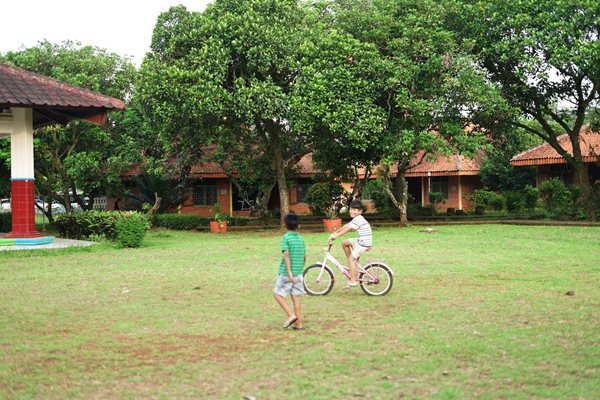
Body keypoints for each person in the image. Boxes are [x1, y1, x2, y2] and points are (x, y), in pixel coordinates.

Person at [273, 212, 306, 330]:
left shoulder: (285, 238)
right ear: (299, 226)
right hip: (299, 273)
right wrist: (299, 269)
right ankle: (298, 324)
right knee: (296, 298)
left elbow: (286, 254)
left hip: (286, 273)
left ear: (284, 225)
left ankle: (291, 315)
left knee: (277, 294)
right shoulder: (301, 239)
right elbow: (304, 256)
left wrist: (289, 272)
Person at [329, 199, 372, 288]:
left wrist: (336, 236)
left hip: (363, 244)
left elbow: (348, 229)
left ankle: (353, 280)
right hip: (361, 240)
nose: (352, 211)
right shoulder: (356, 218)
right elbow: (346, 226)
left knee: (351, 260)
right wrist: (335, 233)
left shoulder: (359, 219)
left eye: (354, 210)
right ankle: (353, 265)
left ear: (360, 211)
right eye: (351, 209)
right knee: (345, 243)